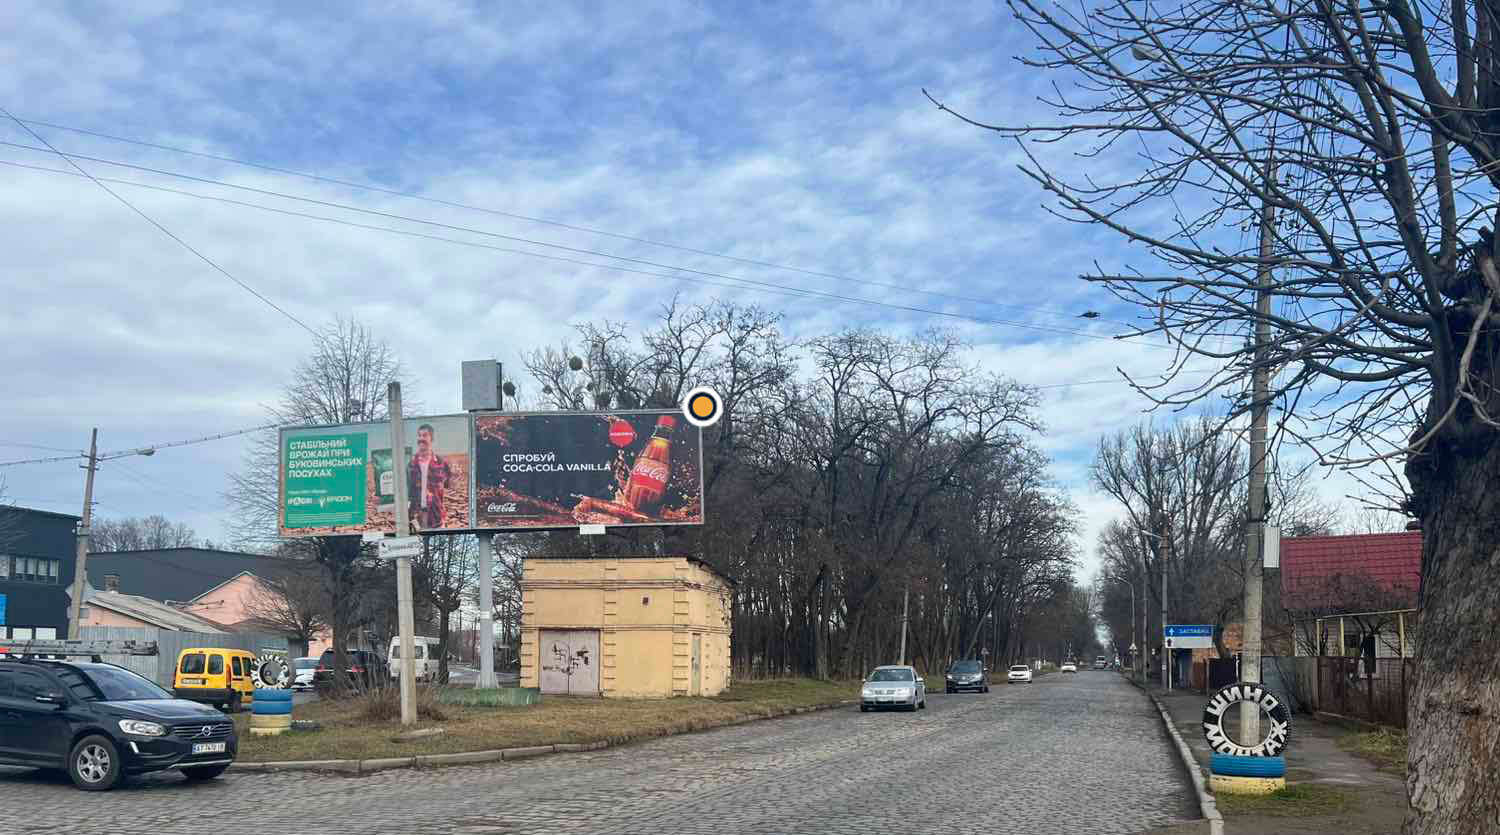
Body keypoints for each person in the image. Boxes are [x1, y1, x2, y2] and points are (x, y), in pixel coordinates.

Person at [407, 423, 451, 530]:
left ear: (432, 438)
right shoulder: (410, 464)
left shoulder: (442, 463)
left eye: (425, 435)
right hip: (416, 517)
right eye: (419, 435)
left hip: (436, 516)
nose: (421, 438)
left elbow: (448, 484)